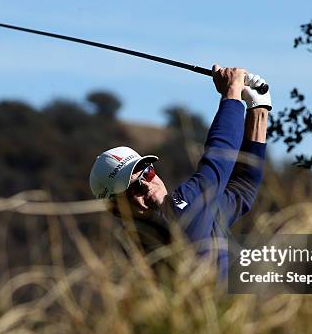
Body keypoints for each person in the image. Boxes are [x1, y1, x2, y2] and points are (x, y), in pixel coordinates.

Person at [89, 65, 270, 280]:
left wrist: (258, 108)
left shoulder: (180, 218)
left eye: (147, 173)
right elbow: (219, 157)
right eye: (134, 188)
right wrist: (231, 93)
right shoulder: (183, 213)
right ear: (117, 209)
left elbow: (242, 190)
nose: (147, 185)